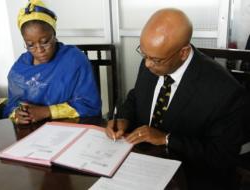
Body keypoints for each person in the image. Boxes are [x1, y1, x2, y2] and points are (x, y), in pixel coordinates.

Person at [105, 8, 245, 190]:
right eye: (144, 54)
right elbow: (136, 96)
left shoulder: (226, 92)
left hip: (188, 175)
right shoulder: (152, 61)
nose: (147, 64)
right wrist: (123, 118)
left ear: (183, 52)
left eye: (155, 60)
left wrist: (167, 139)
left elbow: (221, 156)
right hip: (139, 165)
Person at [3, 0, 101, 124]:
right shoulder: (19, 69)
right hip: (33, 132)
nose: (39, 50)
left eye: (45, 42)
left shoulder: (74, 60)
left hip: (72, 127)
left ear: (54, 35)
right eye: (30, 45)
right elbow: (11, 107)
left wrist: (46, 111)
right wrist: (17, 114)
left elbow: (89, 105)